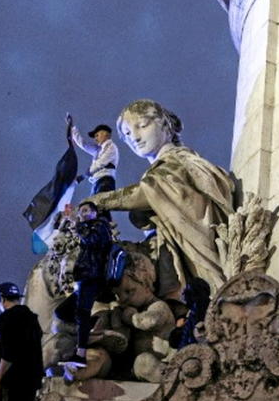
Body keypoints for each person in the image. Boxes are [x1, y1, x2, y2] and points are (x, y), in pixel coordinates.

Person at [90, 99, 236, 293]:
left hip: (203, 261)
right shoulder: (159, 170)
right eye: (127, 134)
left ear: (165, 125)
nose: (134, 137)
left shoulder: (180, 159)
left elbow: (149, 191)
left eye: (142, 126)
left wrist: (99, 201)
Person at [70, 200, 114, 361]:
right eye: (81, 211)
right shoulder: (91, 227)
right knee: (62, 311)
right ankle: (90, 330)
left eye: (86, 210)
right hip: (84, 276)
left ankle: (80, 352)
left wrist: (77, 225)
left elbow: (92, 240)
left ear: (95, 212)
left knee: (82, 312)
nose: (82, 213)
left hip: (92, 276)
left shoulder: (100, 226)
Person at [68, 115, 119, 195]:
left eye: (97, 135)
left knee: (100, 202)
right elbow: (83, 144)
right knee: (93, 203)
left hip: (106, 180)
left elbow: (101, 162)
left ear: (106, 134)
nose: (95, 139)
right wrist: (72, 128)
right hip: (96, 180)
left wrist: (86, 174)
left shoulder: (111, 147)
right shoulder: (97, 150)